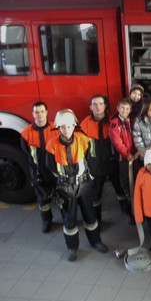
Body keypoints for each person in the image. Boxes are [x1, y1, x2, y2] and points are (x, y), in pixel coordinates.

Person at [45, 109, 108, 261]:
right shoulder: (51, 146)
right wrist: (57, 188)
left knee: (90, 216)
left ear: (74, 126)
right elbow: (50, 169)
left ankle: (96, 241)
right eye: (63, 127)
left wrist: (90, 179)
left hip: (84, 185)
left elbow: (91, 160)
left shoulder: (83, 140)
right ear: (58, 128)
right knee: (69, 220)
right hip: (66, 188)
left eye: (69, 126)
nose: (66, 130)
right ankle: (72, 247)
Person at [80, 94, 134, 226]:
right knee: (96, 195)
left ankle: (126, 213)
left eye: (100, 104)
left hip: (112, 162)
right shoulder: (85, 124)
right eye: (95, 104)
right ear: (90, 107)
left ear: (105, 106)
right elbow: (81, 147)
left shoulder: (113, 121)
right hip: (95, 165)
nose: (98, 107)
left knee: (120, 190)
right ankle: (96, 219)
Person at [20, 101, 60, 233]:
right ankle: (47, 221)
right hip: (38, 171)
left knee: (61, 195)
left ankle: (67, 218)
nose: (40, 115)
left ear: (47, 113)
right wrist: (34, 173)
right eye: (36, 112)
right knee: (42, 199)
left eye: (42, 111)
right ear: (32, 114)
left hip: (55, 170)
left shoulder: (56, 129)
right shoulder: (26, 134)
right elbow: (27, 155)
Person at [109, 98, 137, 203]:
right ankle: (129, 199)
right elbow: (117, 142)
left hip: (135, 155)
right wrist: (127, 154)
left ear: (130, 110)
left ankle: (135, 197)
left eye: (127, 108)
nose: (125, 111)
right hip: (124, 157)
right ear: (117, 108)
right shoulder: (115, 123)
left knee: (135, 176)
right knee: (126, 178)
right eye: (122, 108)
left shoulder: (131, 121)